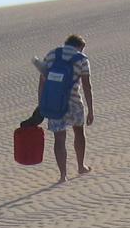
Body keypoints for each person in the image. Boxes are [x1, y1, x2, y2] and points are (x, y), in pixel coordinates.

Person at [33, 35, 95, 182]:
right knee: (79, 132)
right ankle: (81, 166)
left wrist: (42, 103)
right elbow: (87, 85)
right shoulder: (82, 59)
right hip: (73, 102)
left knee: (59, 139)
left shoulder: (51, 55)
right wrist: (91, 109)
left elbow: (42, 83)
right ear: (79, 46)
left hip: (54, 103)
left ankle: (63, 175)